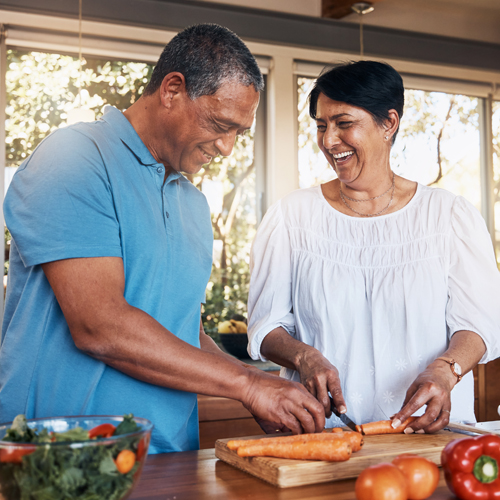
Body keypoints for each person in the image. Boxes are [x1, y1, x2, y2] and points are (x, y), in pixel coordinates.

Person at [0, 24, 326, 453]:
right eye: (219, 124)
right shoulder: (75, 158)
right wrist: (247, 384)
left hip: (170, 457)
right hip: (62, 459)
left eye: (239, 133)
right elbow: (99, 325)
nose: (227, 148)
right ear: (172, 89)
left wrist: (264, 390)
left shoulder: (192, 205)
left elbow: (186, 335)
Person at [247, 60, 500, 434]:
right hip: (326, 435)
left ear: (389, 123)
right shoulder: (291, 217)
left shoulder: (448, 216)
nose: (329, 140)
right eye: (321, 125)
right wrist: (304, 356)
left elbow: (480, 324)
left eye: (344, 123)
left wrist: (446, 370)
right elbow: (265, 327)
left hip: (429, 434)